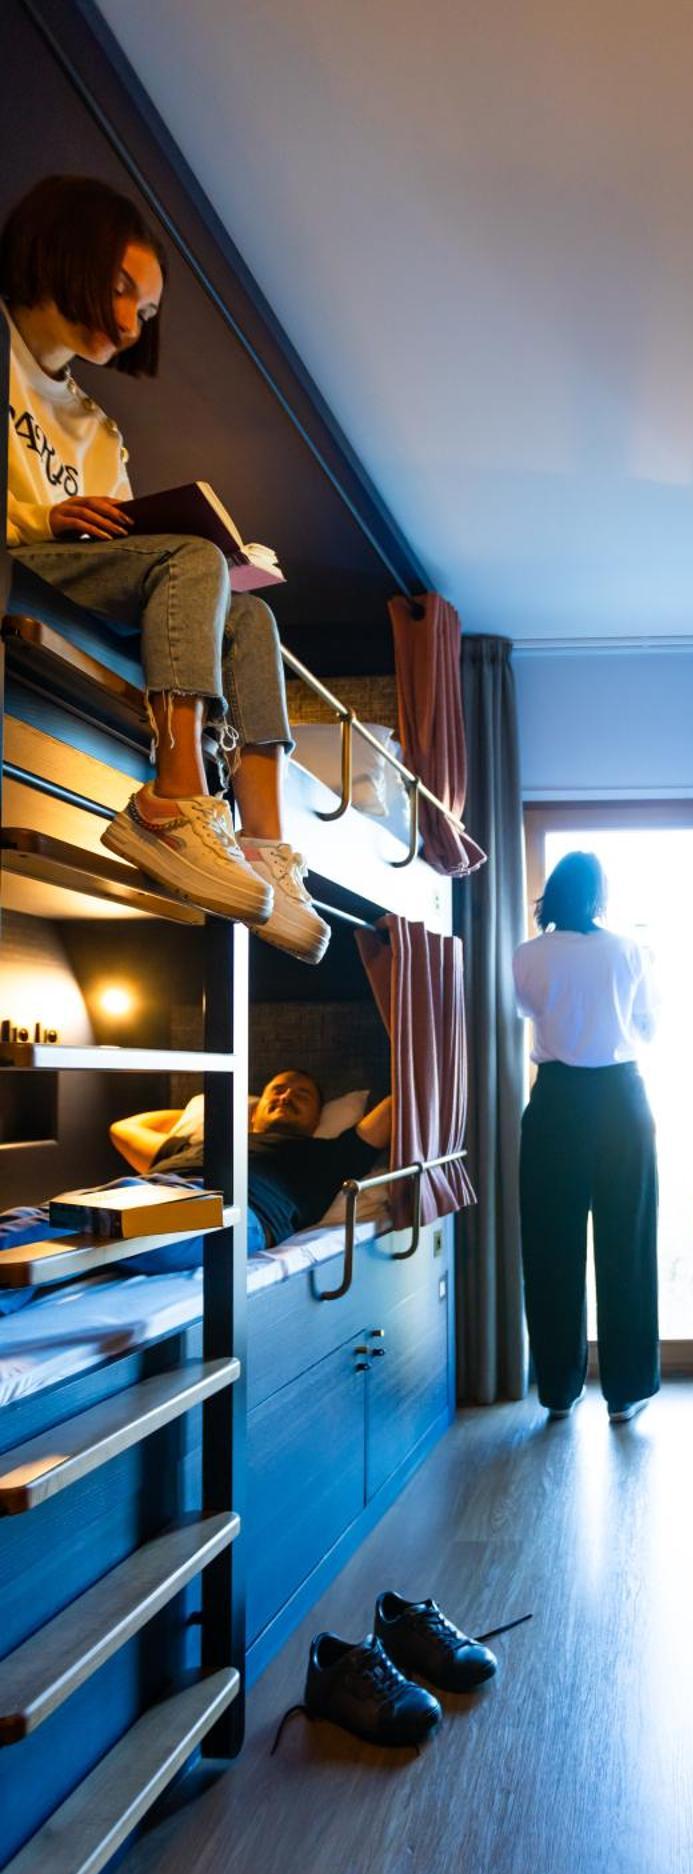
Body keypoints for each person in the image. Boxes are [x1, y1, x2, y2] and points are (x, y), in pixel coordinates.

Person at [3, 174, 328, 964]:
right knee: (188, 561)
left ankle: (261, 847)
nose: (127, 320)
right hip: (19, 561)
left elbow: (122, 549)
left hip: (73, 585)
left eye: (143, 312)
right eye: (119, 288)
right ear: (61, 250)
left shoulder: (97, 428)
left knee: (250, 614)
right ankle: (173, 800)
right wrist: (42, 517)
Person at [0, 1069, 392, 1314]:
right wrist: (215, 1116)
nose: (286, 1096)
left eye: (301, 1096)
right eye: (277, 1090)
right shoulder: (203, 1145)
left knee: (51, 1230)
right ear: (254, 1110)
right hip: (143, 1193)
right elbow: (123, 1127)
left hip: (229, 1211)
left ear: (316, 1120)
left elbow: (395, 1109)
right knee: (29, 1224)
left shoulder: (326, 1153)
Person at [513, 850, 660, 1423]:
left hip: (555, 1103)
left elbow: (529, 1008)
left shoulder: (526, 956)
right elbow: (648, 1026)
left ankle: (557, 1392)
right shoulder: (629, 950)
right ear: (599, 895)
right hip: (621, 1101)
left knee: (552, 1247)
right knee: (628, 1244)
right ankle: (624, 1393)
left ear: (551, 894)